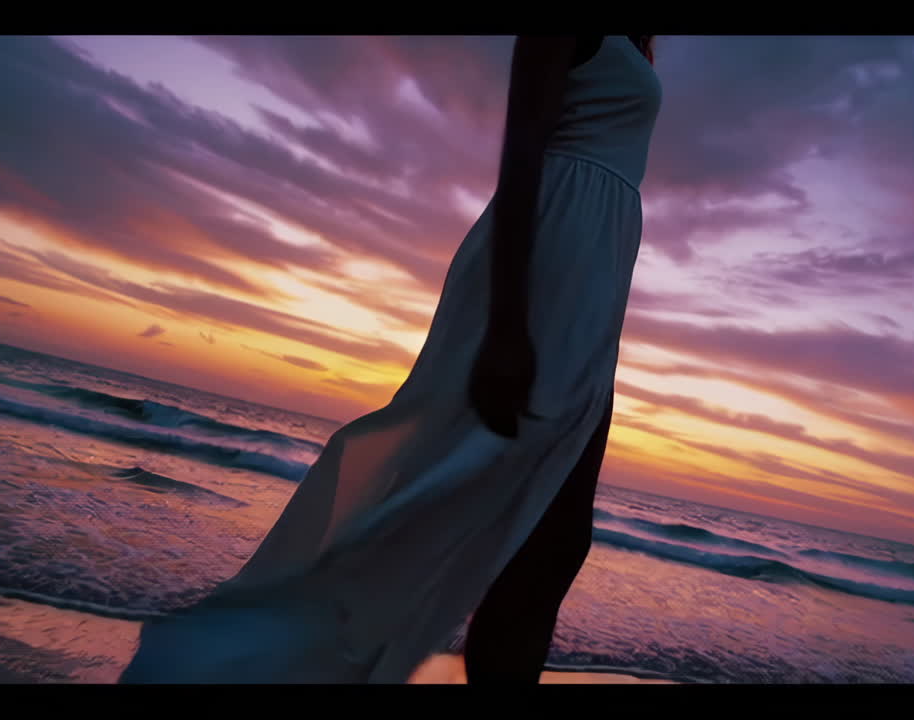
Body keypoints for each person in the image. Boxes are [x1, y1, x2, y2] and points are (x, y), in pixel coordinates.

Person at [120, 34, 661, 685]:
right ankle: (236, 653)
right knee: (509, 522)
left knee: (557, 538)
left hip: (593, 278)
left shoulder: (636, 41)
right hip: (548, 261)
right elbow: (523, 156)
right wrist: (506, 325)